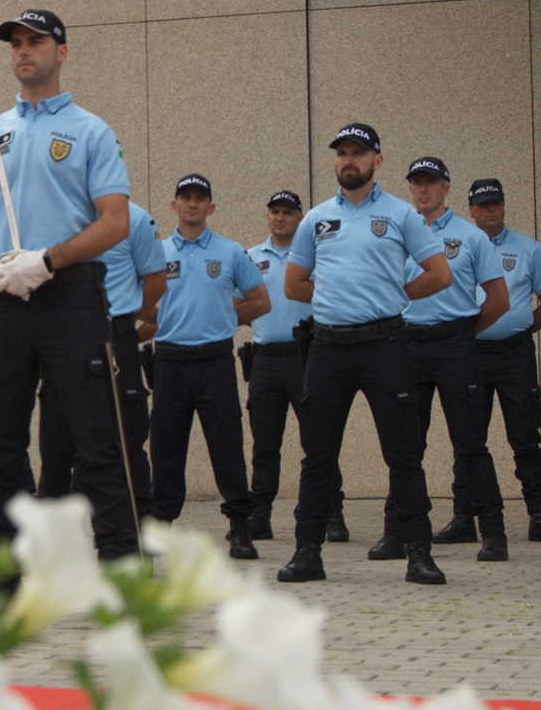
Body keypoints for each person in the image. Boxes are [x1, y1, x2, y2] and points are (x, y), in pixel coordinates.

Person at [0, 8, 139, 560]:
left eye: (35, 41)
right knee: (3, 440)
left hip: (70, 296)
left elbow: (114, 222)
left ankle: (120, 566)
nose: (23, 50)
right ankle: (3, 567)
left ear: (62, 51)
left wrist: (48, 262)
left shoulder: (91, 131)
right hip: (5, 298)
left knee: (96, 437)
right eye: (15, 43)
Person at [277, 124, 450, 585]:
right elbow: (293, 283)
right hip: (328, 346)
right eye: (342, 154)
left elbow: (439, 273)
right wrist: (335, 295)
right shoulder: (316, 218)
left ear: (378, 159)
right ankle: (307, 552)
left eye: (357, 153)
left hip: (385, 345)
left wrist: (398, 292)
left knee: (404, 453)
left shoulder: (401, 214)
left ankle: (419, 554)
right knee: (317, 455)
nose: (348, 160)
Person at [371, 158, 510, 562]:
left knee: (470, 441)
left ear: (446, 187)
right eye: (416, 183)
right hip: (406, 345)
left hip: (455, 345)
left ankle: (494, 533)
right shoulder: (394, 235)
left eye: (431, 183)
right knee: (405, 445)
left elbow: (498, 300)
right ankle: (398, 533)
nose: (423, 190)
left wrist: (464, 334)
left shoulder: (471, 237)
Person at [439, 178, 541, 543]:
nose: (490, 210)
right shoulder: (454, 245)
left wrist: (519, 329)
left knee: (526, 435)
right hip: (470, 355)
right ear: (471, 210)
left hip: (514, 356)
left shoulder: (528, 249)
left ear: (504, 206)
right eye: (483, 204)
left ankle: (539, 517)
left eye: (495, 203)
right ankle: (464, 517)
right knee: (468, 437)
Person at [149, 175, 269, 559]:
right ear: (174, 205)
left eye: (200, 199)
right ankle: (160, 528)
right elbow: (141, 305)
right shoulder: (156, 253)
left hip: (214, 361)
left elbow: (260, 301)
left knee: (227, 446)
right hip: (168, 361)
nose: (192, 205)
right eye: (185, 198)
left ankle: (239, 527)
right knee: (166, 448)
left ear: (212, 207)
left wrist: (222, 317)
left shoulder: (231, 252)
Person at [37, 201, 166, 521]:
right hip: (64, 337)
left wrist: (122, 320)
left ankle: (136, 538)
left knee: (128, 441)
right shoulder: (55, 213)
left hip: (114, 335)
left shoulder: (135, 218)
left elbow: (155, 281)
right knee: (57, 444)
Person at [244, 190, 348, 542]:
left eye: (288, 212)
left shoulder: (313, 257)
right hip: (265, 361)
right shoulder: (250, 257)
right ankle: (260, 514)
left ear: (300, 217)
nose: (280, 218)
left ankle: (332, 513)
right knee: (264, 443)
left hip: (307, 356)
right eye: (275, 211)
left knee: (319, 441)